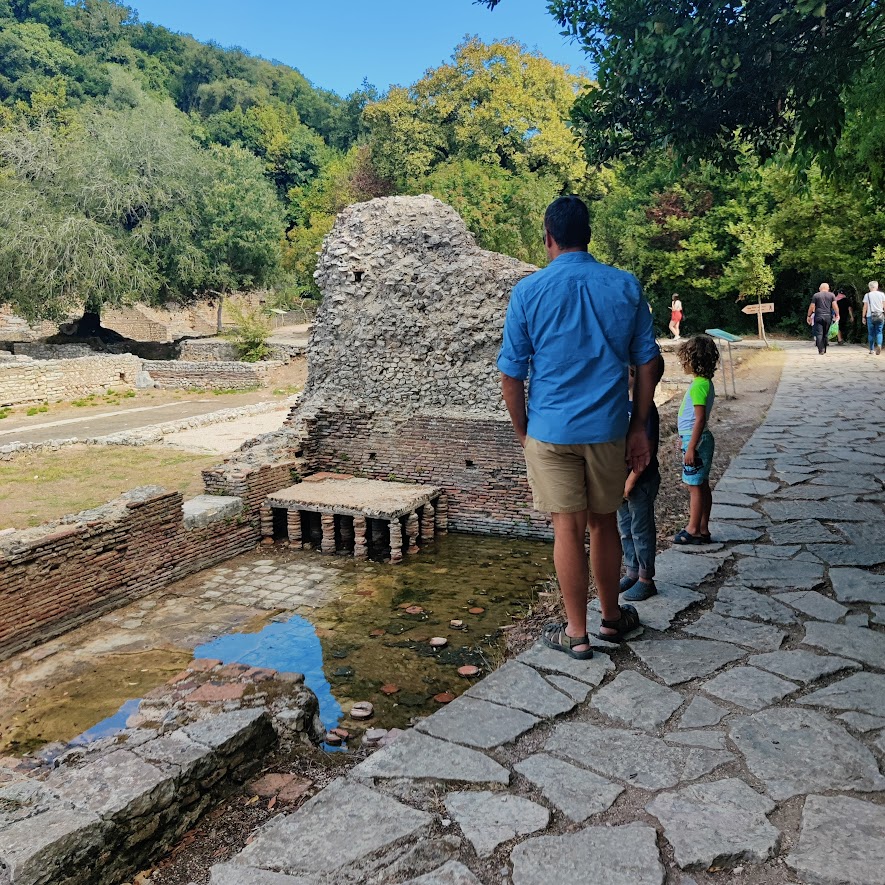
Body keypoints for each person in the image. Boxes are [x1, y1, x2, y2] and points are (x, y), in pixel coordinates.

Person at [498, 195, 661, 657]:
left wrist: (523, 431)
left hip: (550, 430)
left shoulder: (528, 292)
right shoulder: (624, 286)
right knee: (604, 523)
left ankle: (576, 634)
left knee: (565, 529)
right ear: (588, 235)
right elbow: (648, 363)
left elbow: (511, 374)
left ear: (547, 238)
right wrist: (637, 426)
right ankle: (611, 619)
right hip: (608, 427)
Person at [618, 355, 665, 602]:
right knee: (625, 528)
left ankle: (646, 578)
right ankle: (632, 571)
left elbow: (647, 451)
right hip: (620, 480)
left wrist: (630, 482)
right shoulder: (621, 404)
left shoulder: (646, 409)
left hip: (640, 481)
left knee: (641, 528)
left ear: (634, 373)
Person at [673, 335, 720, 545]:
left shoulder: (700, 385)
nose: (683, 364)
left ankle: (692, 529)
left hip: (697, 441)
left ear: (693, 360)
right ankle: (703, 528)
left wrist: (691, 446)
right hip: (696, 439)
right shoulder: (703, 382)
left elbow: (699, 419)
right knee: (701, 484)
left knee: (694, 486)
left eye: (685, 359)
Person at [806, 283, 839, 355]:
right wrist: (837, 314)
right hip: (828, 316)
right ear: (828, 288)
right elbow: (835, 306)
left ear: (819, 288)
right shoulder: (831, 295)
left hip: (818, 316)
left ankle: (821, 349)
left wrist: (809, 316)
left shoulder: (816, 295)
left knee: (819, 333)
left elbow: (812, 306)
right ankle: (825, 348)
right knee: (826, 333)